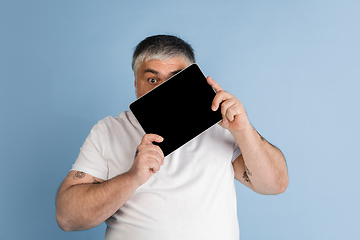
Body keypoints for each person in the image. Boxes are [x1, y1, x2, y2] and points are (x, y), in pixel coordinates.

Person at [56, 34, 289, 240]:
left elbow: (275, 184)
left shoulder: (220, 127)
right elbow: (68, 218)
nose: (163, 91)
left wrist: (244, 129)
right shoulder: (109, 130)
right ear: (136, 83)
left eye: (175, 80)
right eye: (152, 80)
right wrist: (132, 178)